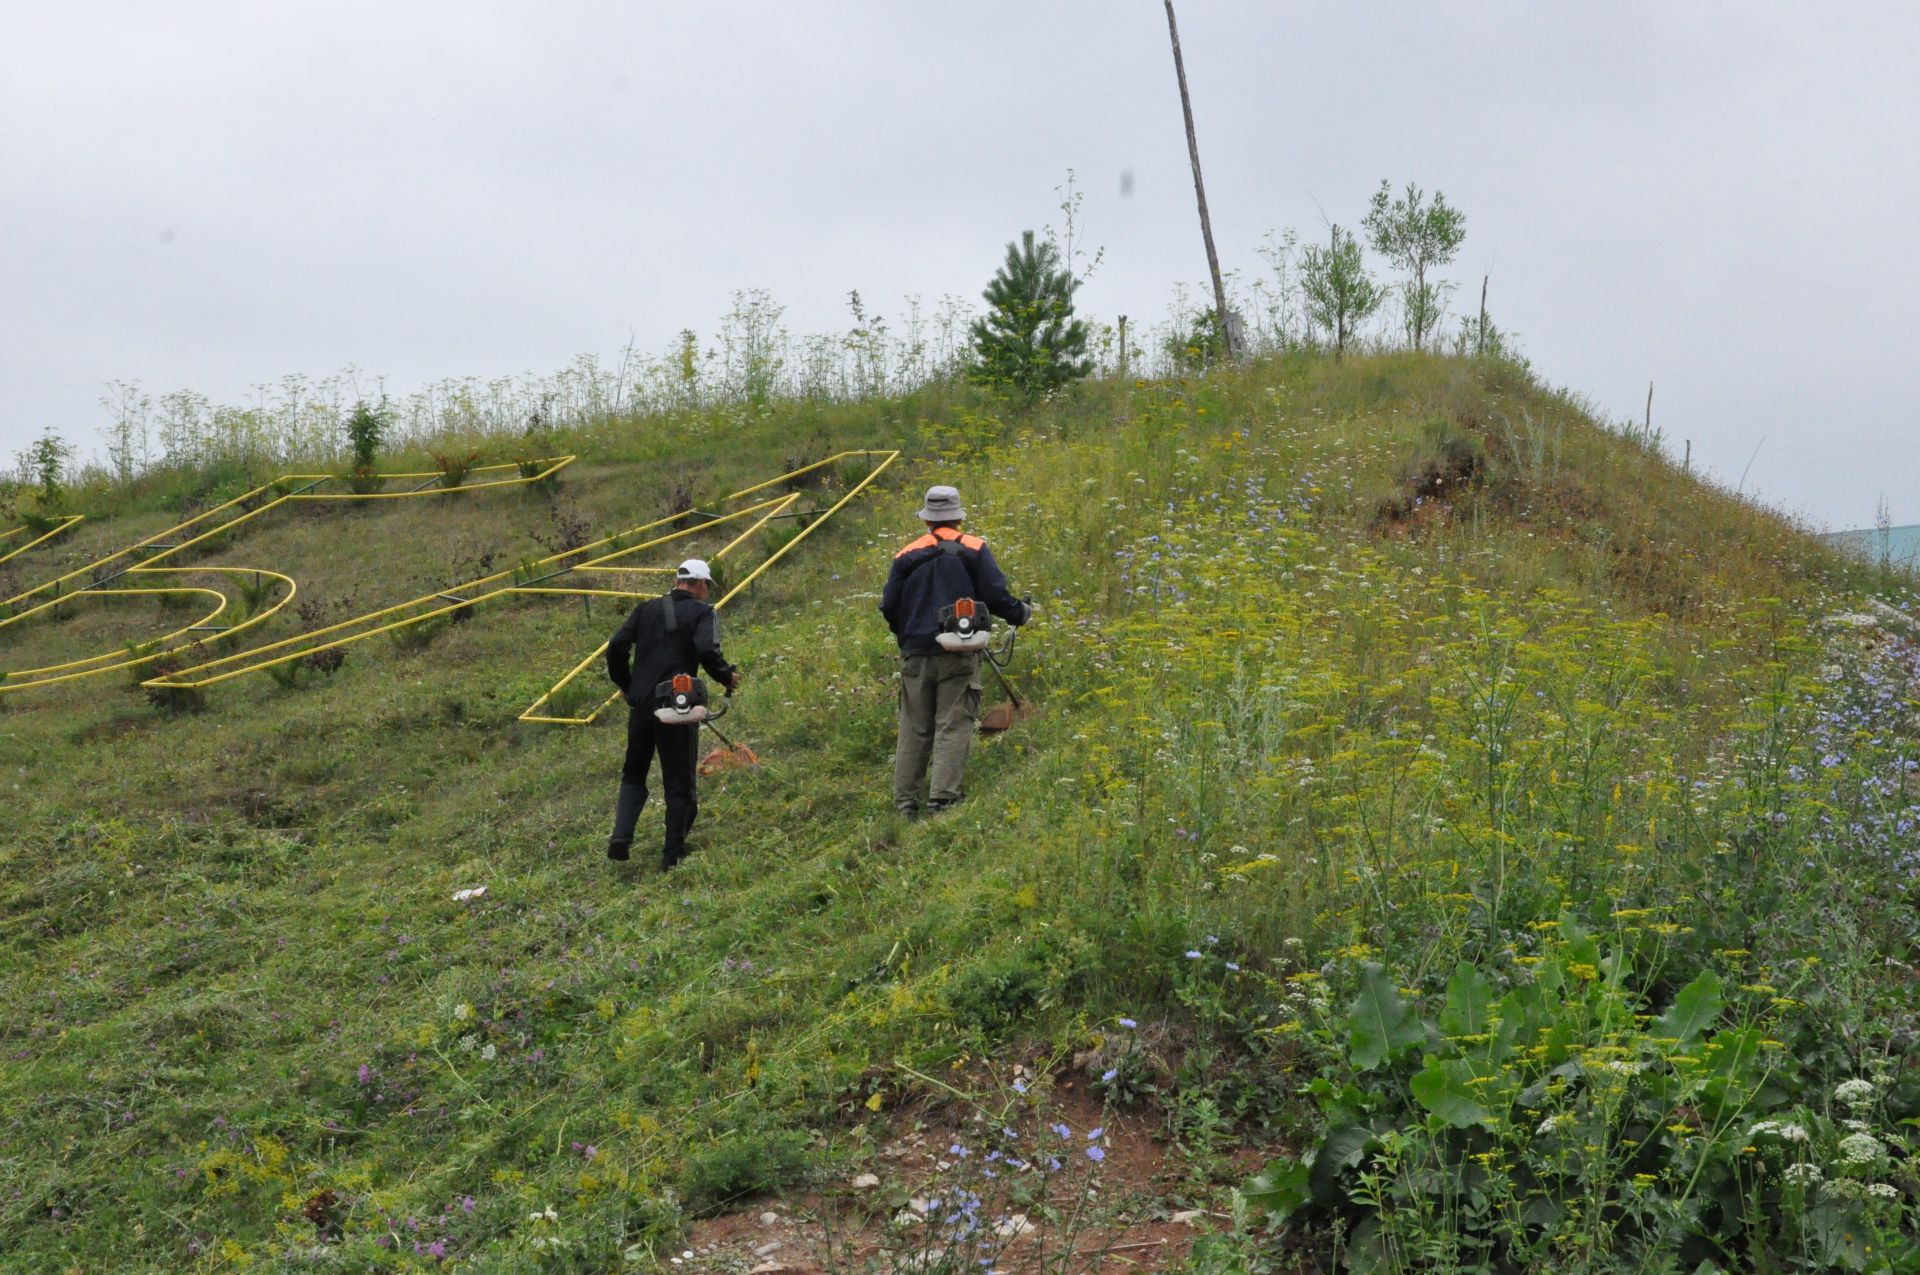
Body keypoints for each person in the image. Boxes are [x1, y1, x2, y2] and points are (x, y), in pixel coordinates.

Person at [881, 484, 1030, 818]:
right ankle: (943, 799)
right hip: (959, 651)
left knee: (914, 726)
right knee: (953, 720)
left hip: (915, 653)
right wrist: (1020, 613)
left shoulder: (906, 554)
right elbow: (996, 596)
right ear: (959, 516)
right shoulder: (974, 548)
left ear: (926, 520)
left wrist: (907, 634)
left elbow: (889, 605)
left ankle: (905, 804)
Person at [604, 558, 740, 870]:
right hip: (676, 708)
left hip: (641, 708)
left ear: (679, 581)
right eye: (707, 586)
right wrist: (725, 677)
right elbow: (707, 650)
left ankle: (621, 837)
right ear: (701, 584)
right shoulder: (703, 612)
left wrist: (628, 686)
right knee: (679, 784)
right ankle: (672, 856)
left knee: (634, 774)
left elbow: (616, 646)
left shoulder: (647, 609)